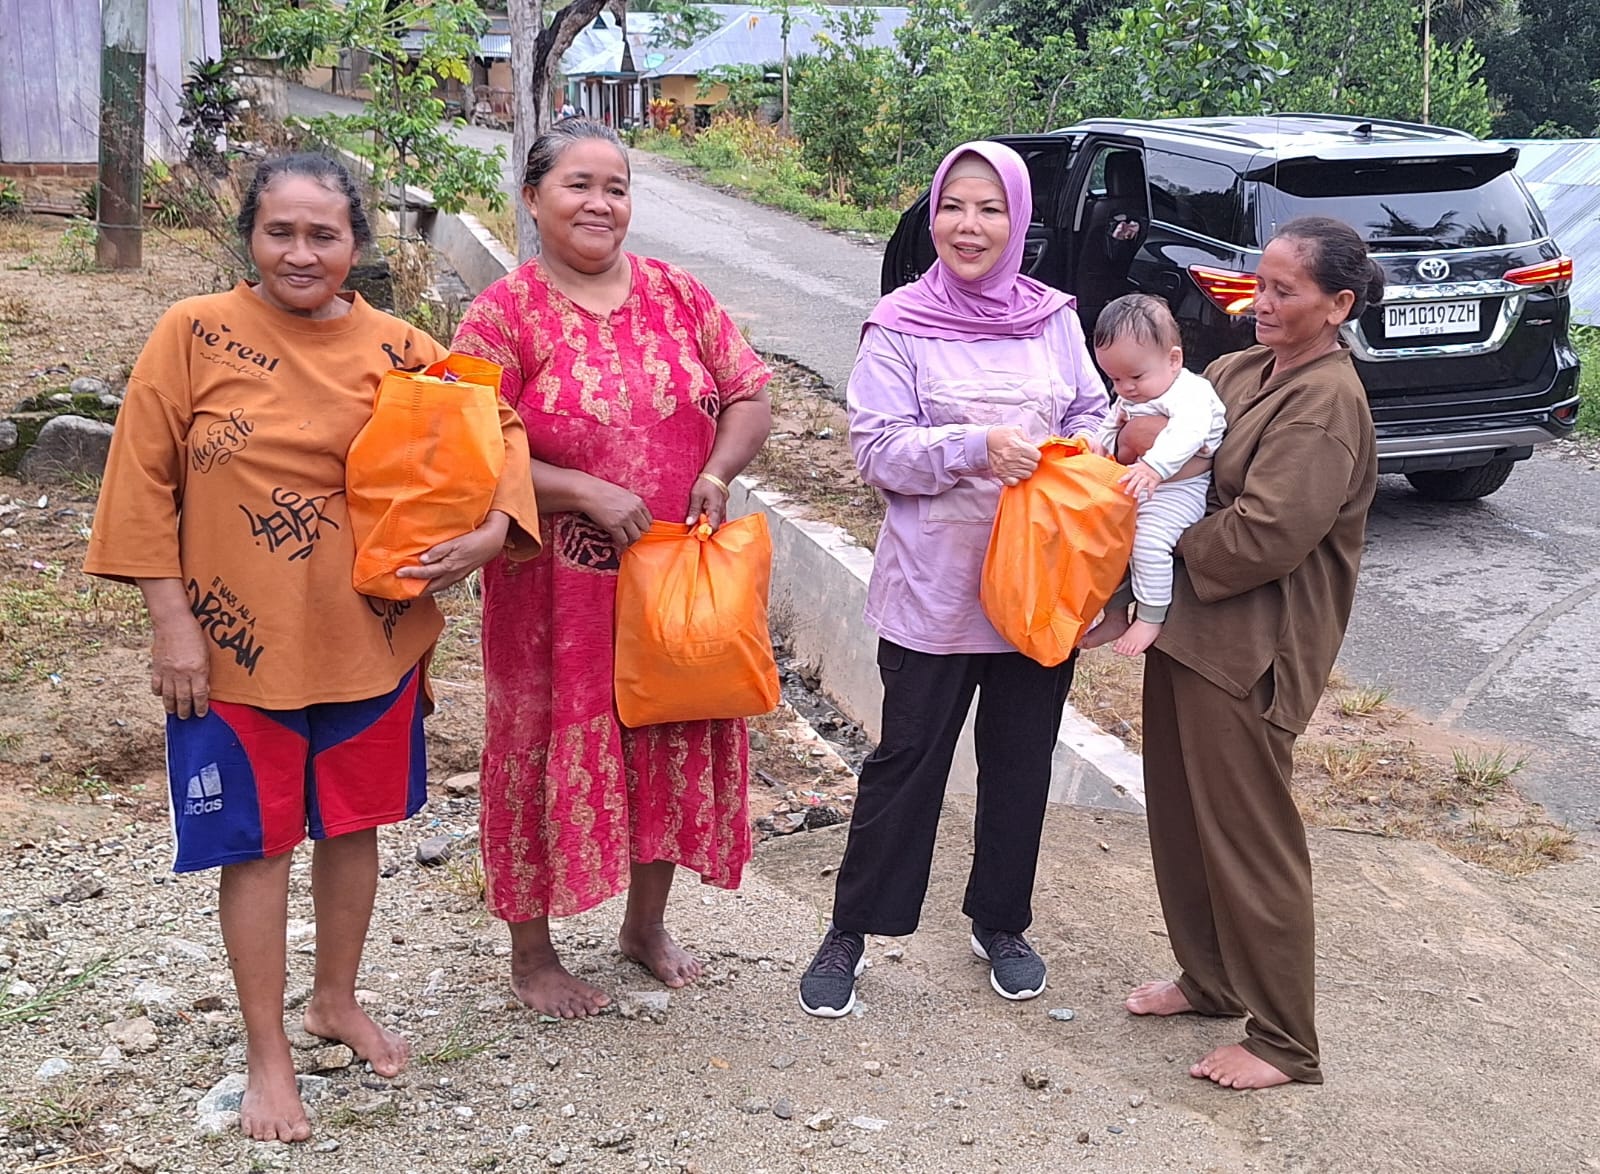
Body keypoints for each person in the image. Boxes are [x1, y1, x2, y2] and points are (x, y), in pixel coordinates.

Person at [83, 153, 542, 1142]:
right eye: (280, 232)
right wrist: (171, 625)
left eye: (322, 234)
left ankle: (335, 998)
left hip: (369, 641)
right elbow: (140, 482)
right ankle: (267, 1055)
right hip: (231, 649)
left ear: (356, 247)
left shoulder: (398, 343)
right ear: (250, 235)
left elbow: (498, 424)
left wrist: (494, 528)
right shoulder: (193, 334)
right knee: (254, 847)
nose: (300, 252)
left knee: (353, 825)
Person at [451, 119, 773, 1019]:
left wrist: (715, 472)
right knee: (539, 740)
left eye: (616, 188)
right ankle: (533, 958)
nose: (600, 203)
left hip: (671, 580)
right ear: (533, 198)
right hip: (553, 591)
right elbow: (473, 447)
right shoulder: (502, 315)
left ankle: (643, 925)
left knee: (663, 728)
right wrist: (583, 490)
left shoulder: (677, 294)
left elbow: (749, 391)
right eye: (578, 185)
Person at [797, 141, 1109, 1018]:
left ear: (1018, 220)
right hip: (936, 588)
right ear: (932, 216)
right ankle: (852, 930)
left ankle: (1000, 921)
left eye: (991, 210)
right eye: (953, 208)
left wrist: (1080, 444)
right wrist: (976, 445)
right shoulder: (899, 322)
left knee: (1020, 763)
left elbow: (1091, 408)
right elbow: (876, 449)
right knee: (906, 763)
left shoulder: (1053, 317)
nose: (969, 227)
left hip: (1037, 586)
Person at [1124, 215, 1382, 1089]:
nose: (1259, 302)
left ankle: (1284, 1041)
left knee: (1248, 838)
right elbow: (1164, 428)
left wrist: (1163, 540)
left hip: (1253, 649)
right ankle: (1211, 981)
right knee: (1183, 817)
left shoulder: (1328, 404)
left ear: (1337, 304)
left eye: (1283, 291)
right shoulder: (1240, 368)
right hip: (1191, 632)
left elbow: (1268, 534)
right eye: (1258, 283)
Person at [1080, 294, 1227, 657]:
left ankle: (1150, 616)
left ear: (1174, 360)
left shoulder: (1189, 392)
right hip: (1142, 481)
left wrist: (1154, 466)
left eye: (1134, 376)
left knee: (1148, 541)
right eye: (1114, 378)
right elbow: (1111, 420)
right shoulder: (1136, 392)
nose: (1124, 388)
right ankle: (1114, 614)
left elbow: (1188, 433)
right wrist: (1097, 444)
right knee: (1107, 540)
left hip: (1182, 489)